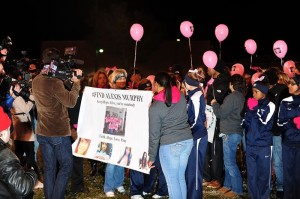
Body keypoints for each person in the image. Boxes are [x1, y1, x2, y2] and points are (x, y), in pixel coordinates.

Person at [31, 47, 82, 199]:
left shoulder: (36, 80)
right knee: (66, 166)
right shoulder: (54, 82)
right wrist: (76, 83)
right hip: (58, 133)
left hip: (42, 132)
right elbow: (71, 102)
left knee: (49, 169)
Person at [148, 71, 193, 199]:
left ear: (156, 84)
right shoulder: (180, 95)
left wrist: (151, 156)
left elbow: (154, 134)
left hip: (170, 144)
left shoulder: (156, 106)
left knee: (172, 181)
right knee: (179, 178)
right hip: (187, 140)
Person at [211, 74, 246, 198]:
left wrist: (215, 103)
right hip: (234, 131)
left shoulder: (232, 97)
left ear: (232, 84)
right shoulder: (241, 97)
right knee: (228, 162)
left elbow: (221, 113)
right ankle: (227, 185)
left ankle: (237, 189)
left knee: (230, 162)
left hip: (230, 132)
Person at [242, 77, 275, 199]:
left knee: (263, 176)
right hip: (251, 145)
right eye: (253, 91)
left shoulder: (270, 105)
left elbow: (265, 124)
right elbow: (245, 124)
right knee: (251, 176)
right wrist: (250, 110)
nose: (253, 94)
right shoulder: (251, 103)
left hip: (263, 146)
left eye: (256, 91)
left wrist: (254, 110)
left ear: (264, 93)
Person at [0, 106, 38, 199]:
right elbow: (22, 188)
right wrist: (31, 172)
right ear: (3, 132)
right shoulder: (6, 156)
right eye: (9, 129)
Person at [203, 60, 231, 189]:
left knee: (216, 150)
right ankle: (208, 176)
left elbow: (218, 100)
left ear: (216, 68)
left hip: (217, 122)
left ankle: (217, 178)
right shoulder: (211, 81)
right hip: (209, 118)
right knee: (209, 149)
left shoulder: (223, 82)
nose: (207, 68)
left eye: (209, 66)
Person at [264, 68, 290, 198]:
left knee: (276, 159)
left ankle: (280, 187)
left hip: (276, 131)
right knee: (278, 159)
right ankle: (280, 185)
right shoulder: (283, 90)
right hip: (281, 131)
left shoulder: (273, 92)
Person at [184, 70, 208, 199]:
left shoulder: (196, 96)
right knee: (190, 168)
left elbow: (197, 120)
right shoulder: (191, 95)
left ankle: (195, 196)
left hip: (197, 136)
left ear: (188, 82)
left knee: (195, 169)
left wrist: (187, 130)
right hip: (192, 136)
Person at [103, 68, 127, 197]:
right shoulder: (107, 94)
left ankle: (119, 183)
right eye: (119, 78)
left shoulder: (129, 94)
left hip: (124, 131)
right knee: (111, 160)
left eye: (124, 78)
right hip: (111, 129)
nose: (122, 80)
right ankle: (108, 187)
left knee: (122, 159)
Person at [277, 74, 300, 199]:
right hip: (288, 144)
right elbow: (280, 123)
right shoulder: (285, 102)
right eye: (289, 83)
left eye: (292, 83)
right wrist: (293, 122)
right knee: (288, 175)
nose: (289, 85)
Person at [67, 76, 89, 195]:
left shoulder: (84, 93)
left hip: (80, 129)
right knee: (64, 160)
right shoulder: (65, 90)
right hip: (67, 130)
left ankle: (78, 185)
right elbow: (64, 110)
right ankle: (63, 186)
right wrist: (71, 127)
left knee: (78, 158)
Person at [89, 69, 109, 177]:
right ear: (96, 80)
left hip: (105, 121)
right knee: (93, 144)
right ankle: (93, 165)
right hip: (94, 121)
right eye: (100, 78)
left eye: (104, 78)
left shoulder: (110, 90)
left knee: (103, 144)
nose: (102, 80)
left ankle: (102, 166)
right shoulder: (91, 91)